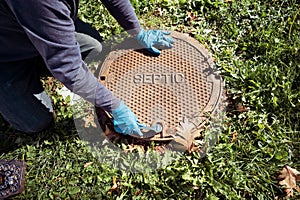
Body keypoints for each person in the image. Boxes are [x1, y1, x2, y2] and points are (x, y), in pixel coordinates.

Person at [0, 0, 174, 137]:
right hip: (6, 56)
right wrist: (115, 107)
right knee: (35, 122)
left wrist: (137, 31)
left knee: (94, 48)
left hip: (29, 24)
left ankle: (49, 43)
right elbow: (69, 69)